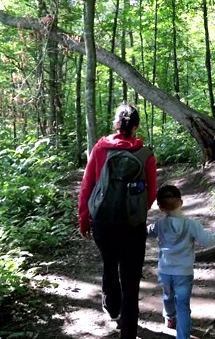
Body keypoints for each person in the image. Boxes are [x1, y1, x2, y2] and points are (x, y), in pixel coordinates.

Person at [78, 103, 157, 339]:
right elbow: (151, 192)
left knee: (110, 264)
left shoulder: (100, 149)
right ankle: (129, 332)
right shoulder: (146, 154)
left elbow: (87, 186)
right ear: (136, 126)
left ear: (115, 124)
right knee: (131, 278)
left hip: (103, 221)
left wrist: (84, 218)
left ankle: (112, 307)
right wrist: (136, 210)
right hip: (132, 225)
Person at [147, 185, 215, 339]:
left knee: (167, 296)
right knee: (183, 306)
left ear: (160, 207)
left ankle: (169, 318)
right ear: (181, 202)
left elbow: (144, 232)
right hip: (183, 272)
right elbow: (207, 241)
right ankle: (182, 337)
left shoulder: (159, 225)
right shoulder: (192, 225)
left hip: (165, 271)